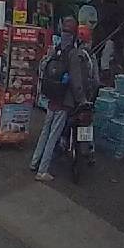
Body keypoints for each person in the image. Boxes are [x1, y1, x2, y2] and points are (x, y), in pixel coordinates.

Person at [30, 17, 86, 181]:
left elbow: (43, 67)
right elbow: (77, 82)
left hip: (51, 98)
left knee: (45, 131)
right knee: (54, 135)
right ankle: (42, 170)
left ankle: (34, 162)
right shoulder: (73, 54)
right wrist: (82, 100)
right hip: (64, 101)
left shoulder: (56, 49)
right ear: (75, 34)